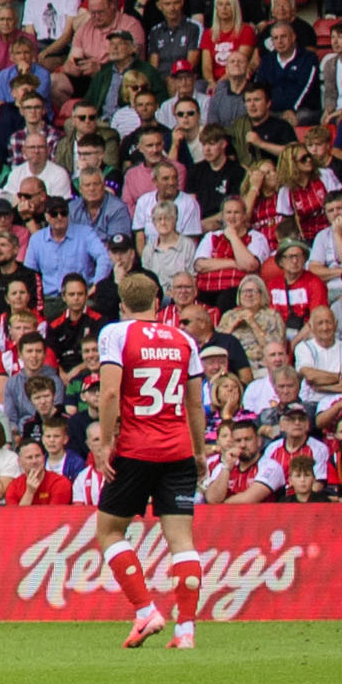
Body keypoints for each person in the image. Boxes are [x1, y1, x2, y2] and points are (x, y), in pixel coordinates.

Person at [88, 268, 214, 650]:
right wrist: (200, 451)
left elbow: (109, 394)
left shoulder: (116, 333)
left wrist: (106, 443)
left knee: (109, 531)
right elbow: (195, 403)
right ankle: (186, 630)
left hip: (135, 449)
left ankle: (145, 611)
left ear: (124, 305)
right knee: (181, 540)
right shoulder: (184, 340)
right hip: (177, 451)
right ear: (158, 303)